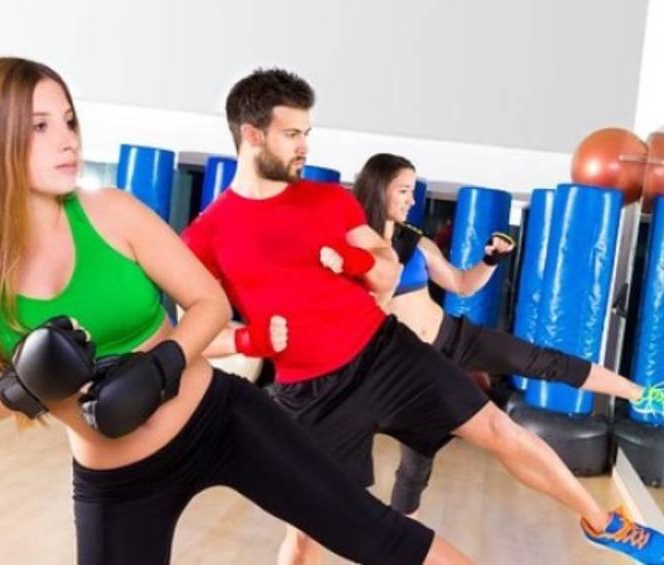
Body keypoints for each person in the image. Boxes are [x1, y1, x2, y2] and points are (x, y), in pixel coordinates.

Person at [0, 57, 474, 565]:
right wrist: (21, 386)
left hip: (222, 418)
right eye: (41, 127)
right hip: (117, 479)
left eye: (69, 121)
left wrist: (163, 363)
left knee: (382, 538)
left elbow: (208, 302)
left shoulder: (111, 213)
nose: (67, 141)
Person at [182, 68, 664, 565]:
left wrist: (360, 262)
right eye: (292, 135)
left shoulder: (328, 200)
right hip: (310, 397)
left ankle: (603, 524)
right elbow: (189, 334)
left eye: (307, 133)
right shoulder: (208, 235)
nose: (304, 146)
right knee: (305, 534)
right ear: (251, 135)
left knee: (501, 431)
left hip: (386, 352)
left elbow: (387, 274)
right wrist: (248, 341)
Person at [353, 151, 664, 518]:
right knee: (417, 463)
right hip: (412, 364)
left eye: (411, 190)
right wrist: (391, 262)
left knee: (544, 360)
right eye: (403, 190)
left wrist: (489, 260)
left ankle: (641, 395)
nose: (412, 199)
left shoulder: (417, 242)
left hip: (455, 336)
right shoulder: (355, 247)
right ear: (379, 189)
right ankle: (398, 541)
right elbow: (364, 311)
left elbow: (462, 285)